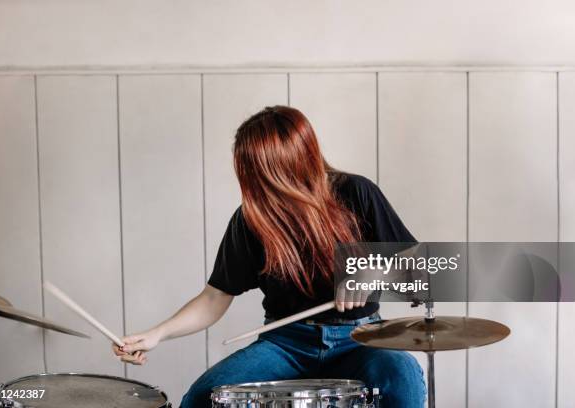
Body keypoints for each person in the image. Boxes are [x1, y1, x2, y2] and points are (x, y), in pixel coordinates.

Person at [113, 106, 426, 407]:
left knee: (402, 374)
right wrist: (157, 334)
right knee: (203, 396)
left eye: (267, 172)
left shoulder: (357, 193)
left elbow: (424, 272)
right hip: (286, 343)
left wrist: (373, 272)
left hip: (360, 337)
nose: (259, 184)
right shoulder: (250, 219)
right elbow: (214, 297)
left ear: (298, 159)